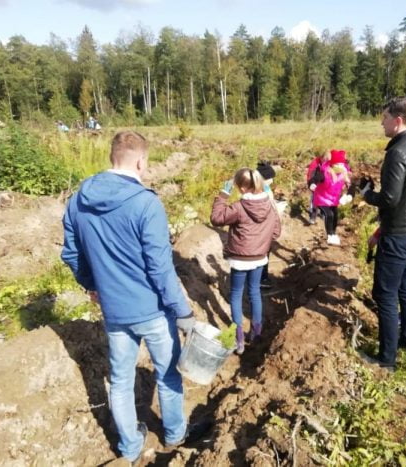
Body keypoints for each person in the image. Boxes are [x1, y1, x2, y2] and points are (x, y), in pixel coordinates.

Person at [61, 131, 209, 463]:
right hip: (153, 311)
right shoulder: (146, 203)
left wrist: (93, 286)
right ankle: (174, 433)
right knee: (168, 373)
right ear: (141, 161)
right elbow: (160, 268)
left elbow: (72, 254)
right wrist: (182, 310)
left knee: (121, 380)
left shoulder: (78, 201)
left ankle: (129, 447)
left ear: (112, 156)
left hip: (114, 312)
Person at [359, 97, 406, 370]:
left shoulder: (398, 153)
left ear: (398, 120)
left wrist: (367, 195)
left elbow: (390, 199)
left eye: (384, 117)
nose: (381, 122)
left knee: (385, 294)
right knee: (405, 286)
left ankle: (386, 359)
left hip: (398, 235)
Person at [210, 168, 281, 355]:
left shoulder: (239, 207)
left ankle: (239, 338)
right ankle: (256, 334)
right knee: (255, 292)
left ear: (241, 188)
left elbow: (216, 219)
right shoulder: (270, 206)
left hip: (240, 259)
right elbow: (276, 232)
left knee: (235, 294)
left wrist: (223, 196)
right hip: (259, 258)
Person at [312, 149, 350, 246]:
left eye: (342, 165)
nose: (340, 167)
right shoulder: (325, 172)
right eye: (338, 165)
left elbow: (350, 185)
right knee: (329, 215)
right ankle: (329, 235)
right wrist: (312, 183)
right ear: (333, 164)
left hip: (333, 200)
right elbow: (316, 178)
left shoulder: (343, 173)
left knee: (335, 215)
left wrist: (348, 195)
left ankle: (333, 233)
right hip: (321, 199)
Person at [256, 160, 276, 289]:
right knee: (262, 253)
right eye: (270, 178)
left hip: (265, 227)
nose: (272, 181)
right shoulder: (259, 191)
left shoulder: (265, 188)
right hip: (261, 228)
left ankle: (262, 276)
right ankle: (261, 278)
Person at [305, 150, 331, 224]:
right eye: (325, 160)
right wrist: (311, 184)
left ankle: (323, 214)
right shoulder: (315, 163)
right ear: (322, 158)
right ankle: (312, 217)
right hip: (315, 184)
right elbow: (310, 175)